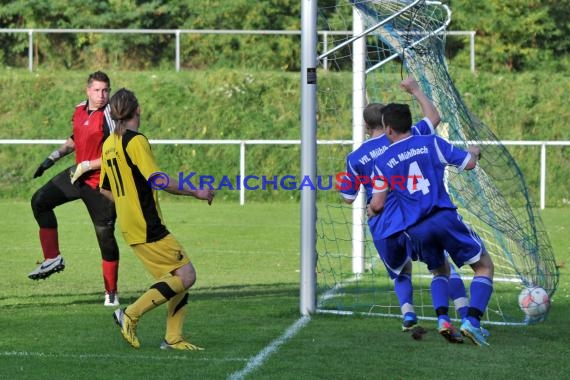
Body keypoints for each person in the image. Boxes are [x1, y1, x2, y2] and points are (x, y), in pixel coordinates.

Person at [338, 76, 470, 334]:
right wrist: (417, 91)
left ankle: (408, 314)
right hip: (414, 217)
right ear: (387, 123)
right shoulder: (409, 136)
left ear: (367, 126)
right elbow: (434, 117)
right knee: (442, 266)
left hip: (384, 224)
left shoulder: (355, 158)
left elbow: (349, 197)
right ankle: (464, 315)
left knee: (401, 271)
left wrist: (344, 182)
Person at [368, 103, 494, 347]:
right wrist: (474, 152)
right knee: (484, 267)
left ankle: (443, 321)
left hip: (415, 229)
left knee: (439, 271)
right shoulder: (430, 142)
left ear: (389, 129)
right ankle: (472, 322)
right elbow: (468, 163)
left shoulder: (382, 161)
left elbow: (379, 204)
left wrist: (370, 210)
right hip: (443, 217)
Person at [100, 88, 214, 351]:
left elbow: (105, 187)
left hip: (130, 225)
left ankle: (173, 338)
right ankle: (130, 314)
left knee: (178, 273)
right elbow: (157, 180)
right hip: (147, 224)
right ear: (137, 109)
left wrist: (126, 203)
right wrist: (196, 191)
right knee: (187, 275)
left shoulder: (108, 145)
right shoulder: (135, 141)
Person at [29, 71, 121, 307]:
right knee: (39, 201)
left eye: (106, 90)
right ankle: (52, 258)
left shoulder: (111, 116)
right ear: (88, 90)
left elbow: (118, 154)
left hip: (101, 184)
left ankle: (111, 292)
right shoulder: (80, 109)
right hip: (76, 176)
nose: (102, 95)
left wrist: (89, 165)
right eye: (98, 90)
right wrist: (52, 157)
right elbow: (74, 140)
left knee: (105, 238)